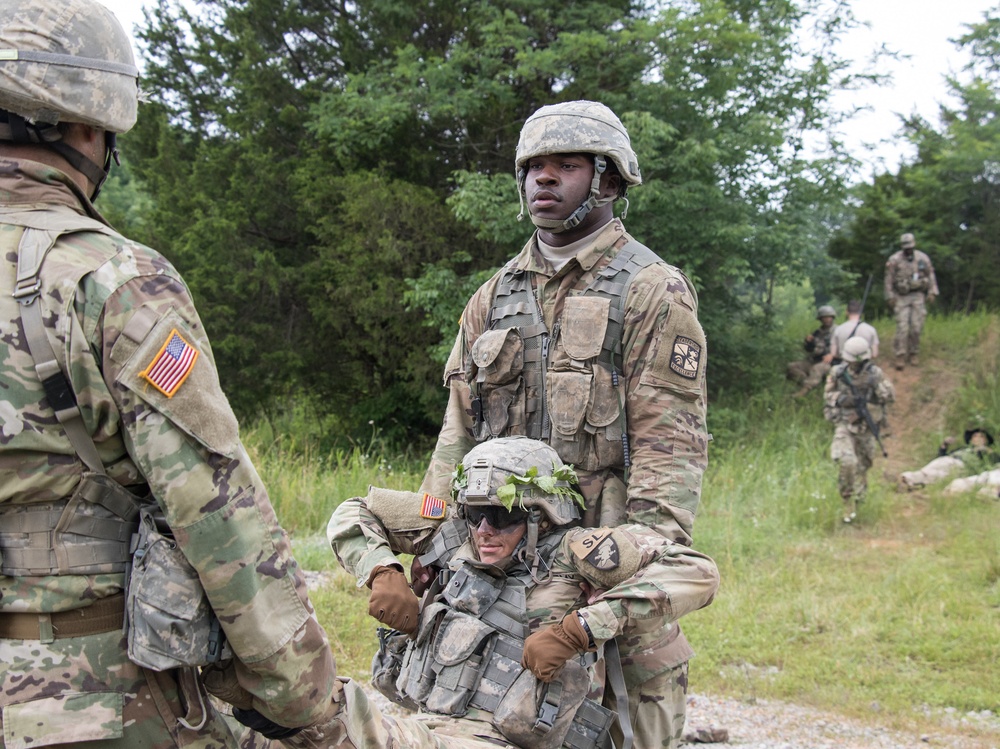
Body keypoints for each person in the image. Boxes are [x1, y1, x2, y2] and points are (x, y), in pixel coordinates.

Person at [0, 1, 336, 745]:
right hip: (89, 698)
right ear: (90, 126)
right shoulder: (111, 280)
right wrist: (307, 702)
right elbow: (219, 516)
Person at [413, 99, 709, 746]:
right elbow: (456, 435)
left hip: (601, 550)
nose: (543, 179)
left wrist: (626, 572)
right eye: (533, 168)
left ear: (607, 180)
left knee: (627, 729)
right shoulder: (492, 298)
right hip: (501, 550)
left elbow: (670, 454)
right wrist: (436, 538)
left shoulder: (651, 291)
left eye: (566, 166)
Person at [286, 436, 717, 749]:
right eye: (476, 514)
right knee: (301, 721)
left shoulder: (575, 552)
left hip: (517, 736)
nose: (485, 531)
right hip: (437, 724)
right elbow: (354, 510)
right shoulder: (455, 531)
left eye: (501, 516)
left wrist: (583, 628)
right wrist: (381, 570)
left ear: (539, 517)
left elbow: (695, 569)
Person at [823, 336, 895, 523]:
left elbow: (889, 397)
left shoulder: (875, 373)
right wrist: (842, 399)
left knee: (863, 466)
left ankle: (859, 504)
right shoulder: (838, 372)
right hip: (844, 425)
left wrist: (876, 387)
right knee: (847, 462)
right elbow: (828, 395)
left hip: (866, 427)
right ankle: (846, 501)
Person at [884, 232, 938, 370]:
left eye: (910, 246)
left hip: (918, 295)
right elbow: (889, 279)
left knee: (916, 326)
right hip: (901, 296)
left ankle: (913, 352)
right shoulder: (894, 259)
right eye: (905, 247)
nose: (908, 249)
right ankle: (900, 355)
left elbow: (930, 274)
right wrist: (890, 296)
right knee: (902, 327)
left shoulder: (922, 258)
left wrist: (932, 291)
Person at [899, 428, 998, 491]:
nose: (978, 438)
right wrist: (944, 445)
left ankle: (914, 483)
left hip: (962, 465)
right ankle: (907, 478)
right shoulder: (963, 449)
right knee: (928, 469)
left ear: (986, 441)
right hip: (947, 459)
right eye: (975, 436)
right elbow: (941, 455)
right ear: (971, 440)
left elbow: (994, 465)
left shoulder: (988, 453)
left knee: (939, 475)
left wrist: (986, 451)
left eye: (981, 436)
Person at [787, 304, 837, 397]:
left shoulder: (838, 331)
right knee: (793, 366)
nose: (827, 320)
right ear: (820, 319)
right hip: (814, 360)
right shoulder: (817, 333)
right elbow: (809, 350)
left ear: (832, 318)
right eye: (824, 317)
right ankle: (808, 383)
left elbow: (844, 349)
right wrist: (808, 342)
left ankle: (804, 391)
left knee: (816, 369)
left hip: (829, 362)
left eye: (829, 317)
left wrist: (833, 355)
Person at [830, 298, 880, 363]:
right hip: (864, 366)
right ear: (861, 312)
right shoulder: (871, 329)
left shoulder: (838, 330)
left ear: (846, 312)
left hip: (845, 365)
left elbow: (833, 353)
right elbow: (874, 354)